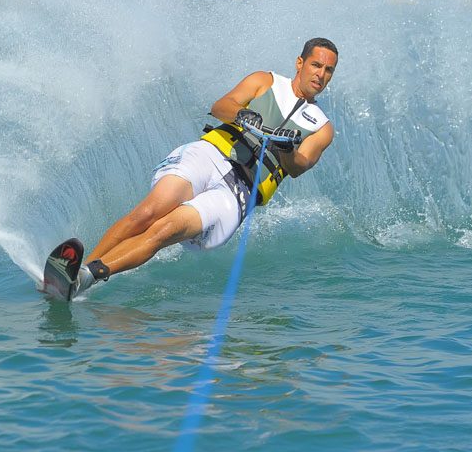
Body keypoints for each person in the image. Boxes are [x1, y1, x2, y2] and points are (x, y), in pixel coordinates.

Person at [70, 37, 339, 298]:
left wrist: (287, 148)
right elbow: (221, 106)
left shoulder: (322, 127)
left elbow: (299, 166)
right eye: (316, 65)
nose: (321, 74)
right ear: (300, 63)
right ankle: (76, 274)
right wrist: (242, 114)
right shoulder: (264, 81)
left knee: (166, 230)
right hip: (210, 155)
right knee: (148, 212)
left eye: (328, 70)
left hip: (238, 191)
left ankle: (89, 277)